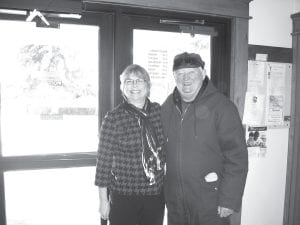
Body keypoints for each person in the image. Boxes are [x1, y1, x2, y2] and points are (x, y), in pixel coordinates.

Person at [161, 52, 248, 225]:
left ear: (203, 72)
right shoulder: (167, 106)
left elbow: (237, 157)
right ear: (174, 77)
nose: (185, 79)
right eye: (180, 74)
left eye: (191, 72)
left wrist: (229, 199)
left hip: (210, 201)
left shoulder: (222, 107)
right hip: (176, 202)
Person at [95, 64, 165, 225]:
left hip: (155, 195)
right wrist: (103, 201)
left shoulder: (159, 112)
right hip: (124, 196)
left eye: (139, 81)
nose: (134, 86)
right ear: (122, 87)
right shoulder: (113, 118)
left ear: (148, 86)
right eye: (128, 81)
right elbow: (103, 163)